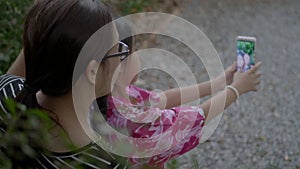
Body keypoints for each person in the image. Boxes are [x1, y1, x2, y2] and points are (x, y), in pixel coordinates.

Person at [89, 19, 262, 168]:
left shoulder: (114, 97)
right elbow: (194, 120)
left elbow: (161, 98)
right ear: (119, 62)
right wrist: (236, 89)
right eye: (136, 49)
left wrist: (216, 84)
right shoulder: (131, 120)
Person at [0, 0, 130, 168]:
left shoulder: (5, 92)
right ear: (92, 71)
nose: (121, 57)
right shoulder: (104, 162)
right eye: (117, 50)